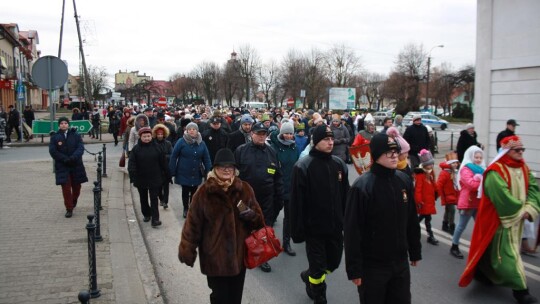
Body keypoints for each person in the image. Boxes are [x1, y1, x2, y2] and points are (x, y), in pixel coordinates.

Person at [459, 135, 539, 304]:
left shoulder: (523, 167)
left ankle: (482, 272)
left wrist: (530, 207)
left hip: (517, 219)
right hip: (500, 220)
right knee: (509, 255)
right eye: (517, 150)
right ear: (507, 151)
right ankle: (521, 290)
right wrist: (520, 210)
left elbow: (533, 187)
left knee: (490, 248)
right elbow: (501, 197)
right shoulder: (496, 171)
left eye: (522, 149)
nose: (520, 153)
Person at [178, 148, 264, 304]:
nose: (226, 169)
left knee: (235, 298)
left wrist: (246, 212)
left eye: (230, 166)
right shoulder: (204, 192)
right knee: (219, 297)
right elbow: (192, 224)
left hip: (238, 257)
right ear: (215, 169)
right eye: (221, 166)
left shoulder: (245, 189)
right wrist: (187, 249)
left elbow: (259, 222)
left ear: (235, 170)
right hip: (214, 257)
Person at [344, 133, 421, 304]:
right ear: (376, 155)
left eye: (396, 151)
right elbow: (352, 230)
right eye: (389, 152)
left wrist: (414, 249)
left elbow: (410, 219)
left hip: (400, 263)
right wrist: (354, 269)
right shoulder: (362, 187)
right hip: (373, 266)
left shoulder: (403, 181)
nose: (395, 155)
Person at [290, 125, 350, 304]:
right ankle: (319, 295)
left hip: (335, 227)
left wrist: (348, 222)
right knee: (318, 269)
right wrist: (297, 231)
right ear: (316, 142)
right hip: (314, 229)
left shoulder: (338, 164)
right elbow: (296, 203)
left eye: (332, 139)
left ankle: (307, 275)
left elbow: (345, 196)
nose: (331, 142)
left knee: (333, 263)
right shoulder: (303, 166)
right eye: (326, 139)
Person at [234, 122, 283, 273]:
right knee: (243, 225)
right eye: (258, 134)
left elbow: (278, 177)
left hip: (266, 198)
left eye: (264, 134)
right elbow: (233, 175)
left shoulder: (271, 152)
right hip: (245, 198)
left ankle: (262, 258)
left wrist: (279, 197)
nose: (261, 136)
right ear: (251, 134)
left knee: (263, 228)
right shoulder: (241, 151)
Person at [169, 122, 212, 218]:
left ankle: (192, 207)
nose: (192, 131)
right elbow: (174, 156)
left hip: (196, 171)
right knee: (185, 190)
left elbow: (206, 158)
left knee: (194, 190)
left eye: (194, 129)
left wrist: (208, 171)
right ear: (187, 131)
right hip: (184, 170)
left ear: (197, 131)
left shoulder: (202, 142)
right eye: (190, 129)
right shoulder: (181, 141)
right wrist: (172, 170)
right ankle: (185, 208)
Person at [49, 117, 89, 218]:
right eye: (61, 123)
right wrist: (64, 159)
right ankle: (69, 208)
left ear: (68, 124)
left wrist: (73, 157)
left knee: (77, 187)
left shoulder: (75, 135)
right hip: (63, 166)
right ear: (59, 125)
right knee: (66, 188)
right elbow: (53, 151)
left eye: (65, 123)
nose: (63, 125)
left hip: (76, 165)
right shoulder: (55, 137)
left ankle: (74, 199)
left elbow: (80, 148)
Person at [450, 146, 485, 259]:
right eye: (476, 157)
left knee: (481, 226)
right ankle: (454, 246)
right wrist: (480, 180)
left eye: (480, 157)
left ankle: (481, 248)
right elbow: (471, 185)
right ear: (471, 157)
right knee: (461, 226)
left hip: (479, 202)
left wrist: (480, 179)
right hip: (468, 202)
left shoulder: (482, 169)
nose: (478, 159)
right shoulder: (466, 168)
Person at [128, 126, 168, 227]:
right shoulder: (136, 149)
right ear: (140, 137)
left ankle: (155, 219)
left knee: (154, 199)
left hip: (155, 177)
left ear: (151, 136)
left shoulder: (157, 147)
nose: (147, 138)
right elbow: (132, 163)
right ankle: (146, 213)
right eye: (144, 136)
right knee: (143, 198)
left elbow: (163, 162)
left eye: (148, 136)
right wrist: (132, 176)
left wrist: (167, 174)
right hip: (141, 178)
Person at [269, 121, 299, 257]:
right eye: (286, 133)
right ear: (281, 133)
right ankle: (266, 242)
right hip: (277, 187)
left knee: (289, 217)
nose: (288, 136)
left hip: (291, 187)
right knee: (271, 216)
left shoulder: (294, 147)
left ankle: (286, 243)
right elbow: (271, 167)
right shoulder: (273, 147)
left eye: (291, 134)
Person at [414, 149, 439, 245]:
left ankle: (428, 235)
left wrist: (437, 191)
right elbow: (418, 189)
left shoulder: (431, 172)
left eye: (432, 164)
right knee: (426, 218)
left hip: (429, 200)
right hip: (424, 202)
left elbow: (433, 184)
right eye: (429, 164)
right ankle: (430, 235)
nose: (431, 166)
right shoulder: (420, 175)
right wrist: (419, 201)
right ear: (424, 165)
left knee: (426, 218)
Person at [437, 152, 460, 235]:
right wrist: (439, 195)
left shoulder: (454, 172)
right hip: (447, 196)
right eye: (453, 163)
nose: (455, 164)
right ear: (449, 163)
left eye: (456, 163)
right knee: (452, 210)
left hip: (452, 195)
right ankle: (451, 226)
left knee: (448, 210)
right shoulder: (445, 173)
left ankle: (445, 224)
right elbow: (439, 185)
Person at [153, 124, 173, 209]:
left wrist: (165, 157)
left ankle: (165, 201)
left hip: (166, 167)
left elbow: (172, 154)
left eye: (161, 134)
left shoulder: (168, 143)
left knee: (166, 186)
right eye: (158, 134)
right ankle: (161, 198)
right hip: (156, 168)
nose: (160, 136)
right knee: (158, 187)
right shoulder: (153, 143)